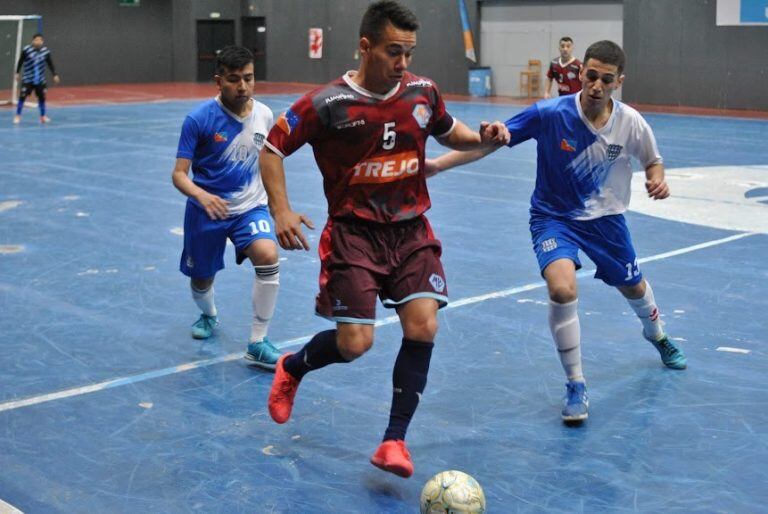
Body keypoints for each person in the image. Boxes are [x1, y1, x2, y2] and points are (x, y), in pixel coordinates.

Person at [259, 0, 509, 478]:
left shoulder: (422, 92)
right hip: (354, 235)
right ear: (365, 46)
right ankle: (293, 367)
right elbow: (272, 148)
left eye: (410, 52)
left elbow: (450, 132)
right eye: (394, 52)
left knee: (423, 326)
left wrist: (483, 134)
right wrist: (281, 210)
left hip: (411, 230)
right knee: (355, 344)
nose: (403, 63)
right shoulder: (326, 104)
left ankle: (394, 441)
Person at [426, 40, 686, 423]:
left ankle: (658, 335)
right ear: (582, 73)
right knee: (562, 287)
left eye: (606, 79)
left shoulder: (631, 122)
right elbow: (491, 144)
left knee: (633, 286)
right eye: (591, 75)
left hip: (606, 222)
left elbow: (654, 161)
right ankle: (576, 384)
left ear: (619, 82)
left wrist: (657, 180)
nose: (596, 84)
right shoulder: (549, 114)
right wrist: (438, 165)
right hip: (553, 218)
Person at [171, 46, 282, 370]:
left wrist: (279, 208)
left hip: (249, 208)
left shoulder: (264, 114)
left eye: (248, 78)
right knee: (201, 280)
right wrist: (201, 196)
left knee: (268, 255)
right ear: (218, 81)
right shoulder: (198, 120)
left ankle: (258, 342)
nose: (243, 86)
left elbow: (268, 165)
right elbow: (179, 174)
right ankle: (209, 313)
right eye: (234, 80)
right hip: (207, 211)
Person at [14, 33, 60, 124]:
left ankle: (43, 116)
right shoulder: (27, 50)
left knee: (42, 98)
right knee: (22, 97)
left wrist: (55, 74)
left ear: (42, 41)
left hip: (40, 80)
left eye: (40, 40)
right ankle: (17, 116)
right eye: (36, 40)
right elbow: (20, 61)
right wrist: (17, 72)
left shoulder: (45, 51)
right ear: (33, 41)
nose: (38, 42)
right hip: (27, 79)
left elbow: (50, 63)